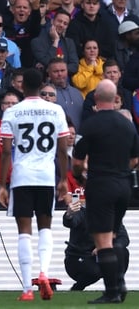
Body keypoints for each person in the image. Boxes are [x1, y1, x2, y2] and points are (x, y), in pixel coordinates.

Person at [0, 68, 70, 301]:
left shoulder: (13, 112)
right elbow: (62, 148)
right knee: (45, 227)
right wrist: (62, 179)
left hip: (22, 177)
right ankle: (44, 273)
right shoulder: (56, 110)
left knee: (24, 232)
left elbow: (7, 151)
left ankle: (28, 288)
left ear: (22, 86)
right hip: (46, 176)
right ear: (42, 85)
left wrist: (1, 185)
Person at [71, 79, 139, 304]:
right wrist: (121, 171)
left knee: (103, 241)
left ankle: (113, 291)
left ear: (96, 99)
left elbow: (78, 161)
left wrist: (81, 175)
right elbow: (135, 159)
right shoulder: (127, 124)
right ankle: (119, 283)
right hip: (124, 186)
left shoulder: (91, 124)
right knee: (114, 234)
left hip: (101, 184)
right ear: (115, 98)